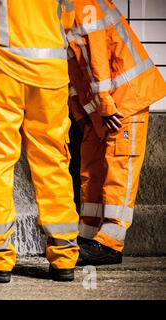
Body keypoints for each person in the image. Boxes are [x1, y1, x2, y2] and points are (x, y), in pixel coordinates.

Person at [0, 0, 79, 283]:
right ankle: (64, 258)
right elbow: (68, 17)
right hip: (51, 73)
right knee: (54, 163)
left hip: (1, 68)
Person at [67, 0, 166, 265]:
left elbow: (96, 54)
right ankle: (88, 236)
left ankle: (110, 243)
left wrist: (104, 106)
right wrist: (83, 112)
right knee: (93, 167)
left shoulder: (83, 4)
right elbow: (74, 64)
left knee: (118, 168)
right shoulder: (63, 8)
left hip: (124, 100)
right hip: (101, 108)